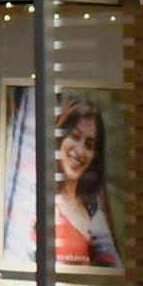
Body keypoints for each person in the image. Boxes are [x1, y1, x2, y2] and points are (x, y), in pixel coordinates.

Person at [53, 96, 119, 267]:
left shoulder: (94, 212)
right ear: (60, 136)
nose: (80, 151)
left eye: (89, 145)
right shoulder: (37, 202)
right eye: (75, 136)